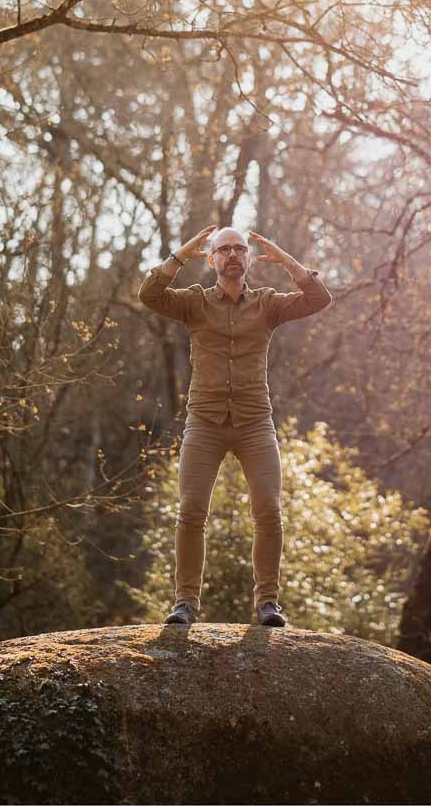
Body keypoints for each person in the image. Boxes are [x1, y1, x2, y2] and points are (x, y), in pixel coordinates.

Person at [139, 225, 331, 624]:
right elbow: (149, 295)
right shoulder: (194, 304)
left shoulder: (267, 305)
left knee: (268, 511)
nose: (231, 255)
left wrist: (285, 259)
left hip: (254, 422)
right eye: (223, 249)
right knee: (191, 512)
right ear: (211, 259)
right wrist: (181, 255)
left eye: (238, 249)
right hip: (204, 422)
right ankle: (186, 604)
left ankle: (268, 604)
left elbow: (319, 297)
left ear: (248, 259)